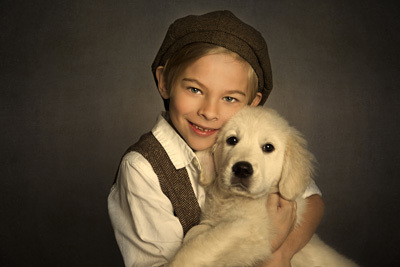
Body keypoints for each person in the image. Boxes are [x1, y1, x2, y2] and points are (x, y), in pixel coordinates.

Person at [108, 10, 324, 267]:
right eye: (195, 89)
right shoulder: (142, 168)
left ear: (252, 106)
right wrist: (272, 245)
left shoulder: (249, 138)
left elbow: (312, 200)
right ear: (164, 81)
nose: (209, 112)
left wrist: (280, 254)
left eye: (229, 98)